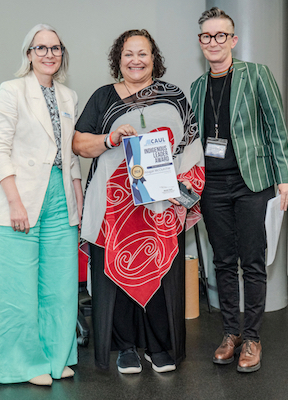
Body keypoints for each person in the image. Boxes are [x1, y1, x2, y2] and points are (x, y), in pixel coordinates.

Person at [73, 29, 204, 374]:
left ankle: (160, 345)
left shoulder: (174, 96)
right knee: (117, 274)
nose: (135, 60)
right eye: (128, 53)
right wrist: (111, 138)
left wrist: (184, 187)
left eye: (143, 53)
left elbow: (191, 146)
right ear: (118, 59)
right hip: (114, 208)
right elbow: (79, 144)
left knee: (162, 275)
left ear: (153, 58)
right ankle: (125, 346)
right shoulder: (103, 97)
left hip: (161, 205)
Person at [190, 8, 288, 373]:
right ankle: (230, 334)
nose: (213, 42)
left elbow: (276, 128)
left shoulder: (257, 75)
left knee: (252, 261)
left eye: (221, 35)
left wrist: (285, 177)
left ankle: (252, 337)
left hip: (252, 183)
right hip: (213, 186)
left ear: (233, 40)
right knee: (222, 261)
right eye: (206, 36)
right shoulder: (198, 87)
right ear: (200, 41)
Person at [0, 24, 83, 386]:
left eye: (55, 48)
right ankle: (21, 365)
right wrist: (14, 202)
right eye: (40, 48)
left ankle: (56, 359)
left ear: (62, 54)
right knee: (19, 291)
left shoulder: (68, 96)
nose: (48, 54)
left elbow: (69, 152)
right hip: (21, 196)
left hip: (60, 195)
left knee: (60, 286)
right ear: (28, 53)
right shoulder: (12, 91)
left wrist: (78, 197)